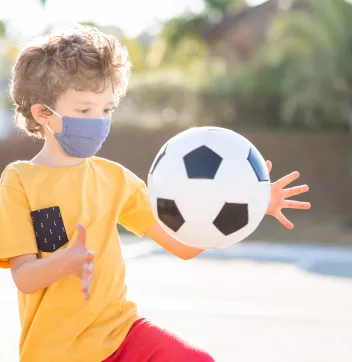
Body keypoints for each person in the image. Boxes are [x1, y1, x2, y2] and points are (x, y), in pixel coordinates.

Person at [0, 25, 311, 362]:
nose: (99, 121)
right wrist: (65, 261)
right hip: (56, 352)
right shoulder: (20, 181)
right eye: (85, 110)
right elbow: (26, 277)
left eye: (106, 110)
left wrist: (250, 205)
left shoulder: (115, 179)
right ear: (44, 113)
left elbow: (183, 246)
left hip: (122, 334)